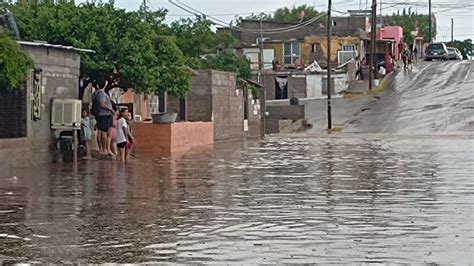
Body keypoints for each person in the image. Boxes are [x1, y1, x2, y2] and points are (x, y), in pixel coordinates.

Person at [92, 77, 114, 156]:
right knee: (103, 132)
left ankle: (102, 148)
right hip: (104, 114)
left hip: (99, 114)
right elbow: (102, 104)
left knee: (100, 131)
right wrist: (111, 109)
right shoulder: (101, 93)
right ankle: (103, 149)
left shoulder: (95, 93)